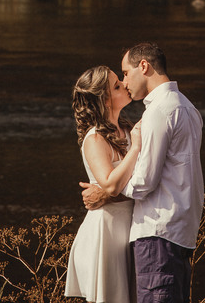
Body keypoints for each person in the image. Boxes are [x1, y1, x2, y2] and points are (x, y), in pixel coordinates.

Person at [81, 43, 204, 303]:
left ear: (144, 66)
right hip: (179, 230)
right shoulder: (188, 107)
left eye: (125, 73)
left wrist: (105, 192)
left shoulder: (157, 112)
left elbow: (144, 182)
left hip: (157, 231)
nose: (125, 81)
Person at [66, 65, 142, 303]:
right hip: (106, 231)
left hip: (131, 227)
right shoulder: (95, 138)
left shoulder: (130, 130)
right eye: (117, 85)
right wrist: (137, 148)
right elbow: (110, 184)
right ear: (106, 99)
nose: (125, 84)